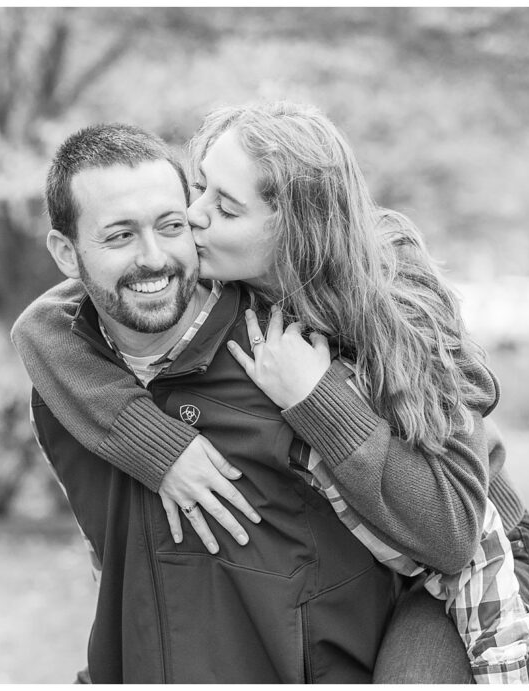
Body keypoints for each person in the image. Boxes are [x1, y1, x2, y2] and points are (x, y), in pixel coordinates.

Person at [15, 103, 529, 682]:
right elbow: (45, 323)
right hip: (394, 554)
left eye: (222, 206)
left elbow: (451, 534)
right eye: (199, 189)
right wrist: (158, 445)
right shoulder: (224, 280)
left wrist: (318, 398)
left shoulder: (397, 307)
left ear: (291, 229)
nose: (193, 218)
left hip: (483, 550)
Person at [28, 122, 400, 683]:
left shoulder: (295, 354)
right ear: (65, 251)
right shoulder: (61, 391)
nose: (153, 258)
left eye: (170, 225)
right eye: (119, 236)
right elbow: (114, 563)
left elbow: (409, 541)